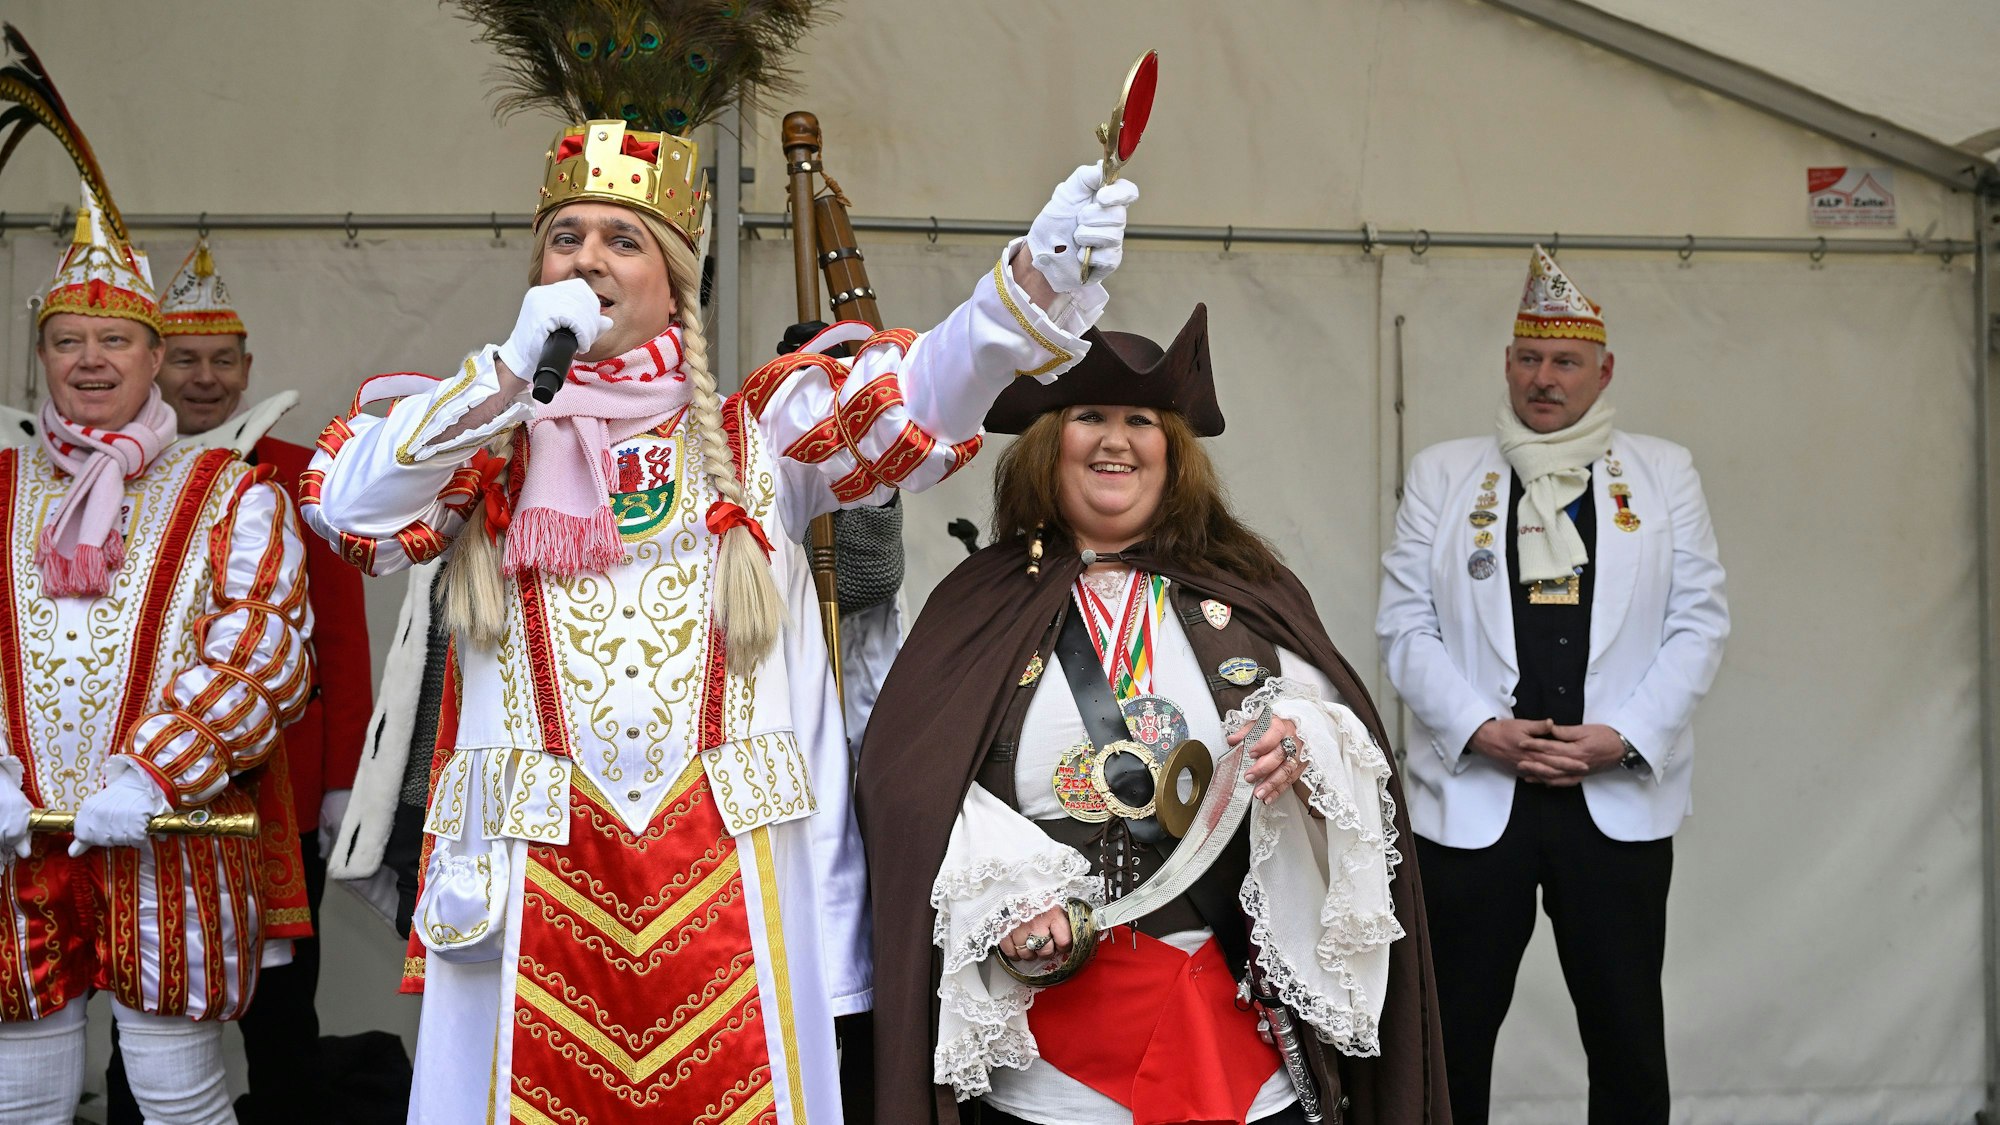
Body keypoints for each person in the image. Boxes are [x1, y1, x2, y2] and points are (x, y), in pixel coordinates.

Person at [300, 91, 1138, 1119]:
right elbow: (350, 514)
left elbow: (913, 397)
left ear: (674, 280)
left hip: (729, 893)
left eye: (620, 239)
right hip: (529, 893)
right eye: (563, 237)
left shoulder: (757, 432)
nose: (587, 258)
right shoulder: (483, 431)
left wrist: (1028, 288)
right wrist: (512, 373)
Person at [857, 307, 1451, 1125]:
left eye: (1140, 419)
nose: (1116, 439)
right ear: (1046, 442)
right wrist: (1006, 893)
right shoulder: (980, 602)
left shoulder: (1249, 586)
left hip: (1238, 1035)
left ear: (1173, 448)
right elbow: (909, 789)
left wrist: (1304, 746)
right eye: (1089, 416)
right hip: (1053, 1062)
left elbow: (1342, 732)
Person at [1375, 246, 1729, 1124]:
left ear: (1602, 371)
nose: (1545, 378)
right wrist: (1479, 728)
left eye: (1565, 361)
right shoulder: (1443, 473)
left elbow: (1699, 623)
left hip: (1612, 796)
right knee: (1450, 1035)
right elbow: (1403, 625)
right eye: (1529, 358)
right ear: (1506, 364)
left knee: (1625, 1037)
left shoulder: (1664, 472)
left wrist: (1626, 736)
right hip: (1473, 797)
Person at [0, 182, 314, 1125]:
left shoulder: (231, 491)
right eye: (67, 341)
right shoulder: (0, 486)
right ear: (42, 354)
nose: (90, 361)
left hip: (169, 841)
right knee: (20, 1093)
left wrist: (151, 777)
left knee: (179, 1094)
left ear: (153, 356)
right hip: (14, 843)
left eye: (115, 341)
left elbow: (265, 650)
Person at [99, 239, 375, 1125]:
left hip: (275, 795)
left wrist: (342, 785)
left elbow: (338, 635)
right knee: (136, 1009)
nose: (205, 378)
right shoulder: (107, 479)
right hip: (137, 788)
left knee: (282, 1017)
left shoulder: (293, 471)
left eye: (223, 361)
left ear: (249, 368)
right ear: (152, 363)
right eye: (186, 359)